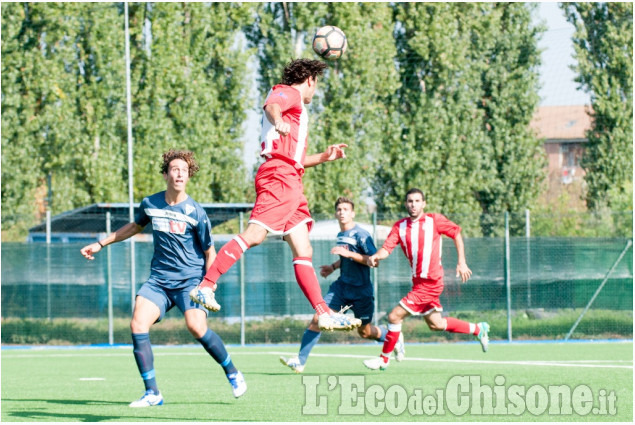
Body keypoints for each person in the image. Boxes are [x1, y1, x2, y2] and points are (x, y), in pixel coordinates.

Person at [190, 59, 360, 332]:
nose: (314, 91)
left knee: (303, 249)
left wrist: (325, 157)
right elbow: (272, 106)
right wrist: (279, 120)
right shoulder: (289, 92)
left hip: (290, 176)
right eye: (316, 84)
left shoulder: (296, 109)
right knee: (255, 235)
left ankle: (323, 312)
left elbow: (297, 157)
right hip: (279, 176)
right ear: (310, 80)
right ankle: (206, 285)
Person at [80, 149, 246, 406]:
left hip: (190, 282)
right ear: (167, 173)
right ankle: (152, 393)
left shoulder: (196, 212)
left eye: (184, 170)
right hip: (158, 280)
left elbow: (210, 251)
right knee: (137, 325)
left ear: (189, 176)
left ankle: (233, 373)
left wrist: (208, 285)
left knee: (196, 327)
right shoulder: (150, 203)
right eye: (175, 168)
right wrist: (101, 244)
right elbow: (135, 226)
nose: (179, 173)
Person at [363, 188, 490, 371]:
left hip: (431, 283)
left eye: (417, 201)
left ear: (424, 204)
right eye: (410, 201)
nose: (413, 204)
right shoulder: (400, 226)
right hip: (418, 283)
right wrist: (376, 257)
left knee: (394, 316)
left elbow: (456, 233)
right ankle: (478, 329)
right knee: (436, 324)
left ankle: (384, 359)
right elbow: (386, 249)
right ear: (406, 204)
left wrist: (461, 262)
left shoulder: (434, 220)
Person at [280, 197, 405, 373]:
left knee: (365, 332)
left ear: (352, 213)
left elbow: (374, 261)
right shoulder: (341, 235)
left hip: (361, 291)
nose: (342, 213)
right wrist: (333, 267)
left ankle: (393, 337)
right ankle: (300, 361)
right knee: (318, 318)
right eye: (339, 209)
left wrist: (347, 254)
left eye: (346, 209)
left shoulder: (362, 234)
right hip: (341, 288)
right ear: (335, 213)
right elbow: (345, 257)